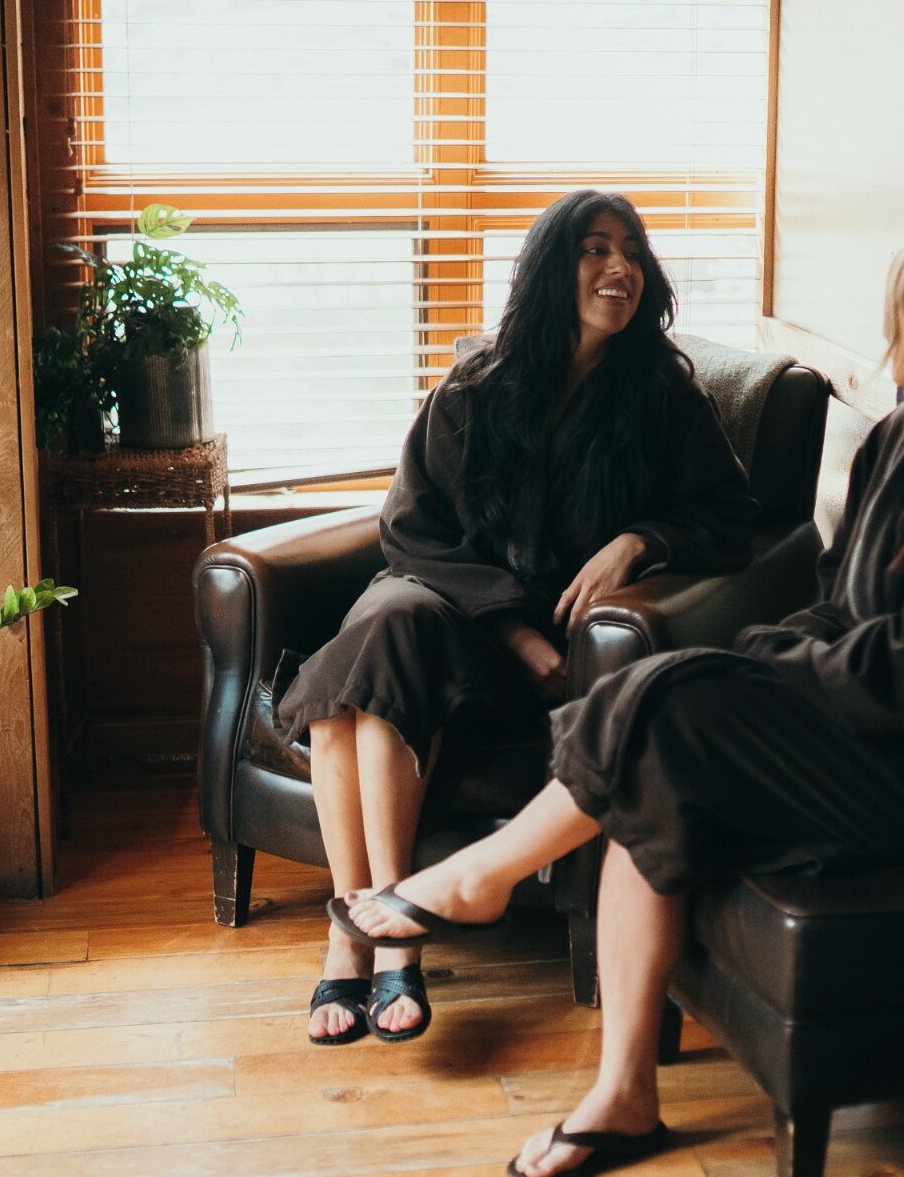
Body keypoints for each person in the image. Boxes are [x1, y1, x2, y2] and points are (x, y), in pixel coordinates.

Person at [331, 219, 904, 1175]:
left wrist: (765, 676)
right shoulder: (898, 438)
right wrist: (767, 661)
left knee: (670, 708)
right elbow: (837, 603)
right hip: (863, 723)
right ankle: (624, 1094)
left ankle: (484, 877)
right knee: (662, 739)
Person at [285, 190, 758, 1047]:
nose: (620, 269)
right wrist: (514, 628)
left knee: (366, 668)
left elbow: (733, 518)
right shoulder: (477, 387)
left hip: (558, 663)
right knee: (380, 639)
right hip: (460, 619)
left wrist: (636, 540)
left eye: (632, 252)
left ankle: (370, 932)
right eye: (594, 249)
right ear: (551, 268)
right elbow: (409, 528)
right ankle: (379, 939)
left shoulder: (662, 397)